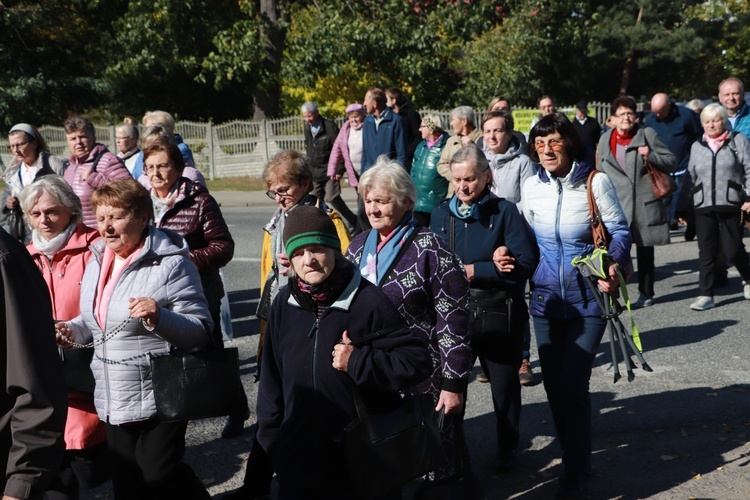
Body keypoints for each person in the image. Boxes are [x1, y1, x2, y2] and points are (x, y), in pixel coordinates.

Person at [256, 204, 432, 499]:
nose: (308, 260)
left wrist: (359, 361)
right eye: (299, 253)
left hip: (360, 460)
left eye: (317, 249)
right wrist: (273, 442)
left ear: (334, 250)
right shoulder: (284, 302)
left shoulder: (367, 300)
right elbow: (271, 380)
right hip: (297, 461)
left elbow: (417, 361)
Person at [54, 178, 214, 499]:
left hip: (161, 392)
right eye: (100, 218)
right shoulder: (98, 261)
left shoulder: (171, 263)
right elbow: (93, 322)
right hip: (114, 392)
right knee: (127, 482)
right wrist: (70, 331)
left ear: (143, 217)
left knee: (159, 473)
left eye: (116, 217)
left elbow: (200, 329)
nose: (107, 227)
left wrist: (159, 316)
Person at [521, 113, 632, 498]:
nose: (546, 150)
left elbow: (619, 229)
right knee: (553, 386)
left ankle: (577, 467)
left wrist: (613, 263)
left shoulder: (594, 182)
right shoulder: (530, 186)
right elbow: (522, 237)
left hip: (588, 299)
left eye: (552, 142)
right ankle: (573, 455)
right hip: (545, 301)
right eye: (538, 143)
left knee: (573, 381)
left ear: (568, 142)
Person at [345, 158, 472, 485]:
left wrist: (453, 384)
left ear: (407, 202)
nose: (372, 209)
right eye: (368, 200)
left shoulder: (433, 250)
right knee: (380, 450)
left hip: (422, 377)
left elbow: (454, 320)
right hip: (369, 369)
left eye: (382, 201)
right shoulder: (358, 247)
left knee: (427, 457)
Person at [431, 146, 539, 474]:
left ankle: (507, 449)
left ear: (486, 177)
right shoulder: (440, 213)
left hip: (497, 314)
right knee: (450, 388)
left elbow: (527, 262)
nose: (463, 187)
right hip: (453, 317)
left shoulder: (504, 212)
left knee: (504, 390)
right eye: (458, 179)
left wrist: (477, 271)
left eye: (471, 179)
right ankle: (451, 454)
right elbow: (434, 262)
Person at [142, 138, 247, 438]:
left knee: (209, 352)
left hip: (198, 291)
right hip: (154, 293)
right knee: (163, 352)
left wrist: (183, 262)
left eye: (162, 165)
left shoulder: (200, 200)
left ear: (178, 167)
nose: (156, 173)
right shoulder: (142, 202)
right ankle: (172, 414)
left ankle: (236, 408)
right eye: (150, 167)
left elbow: (223, 247)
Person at [20, 176, 108, 499]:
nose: (43, 220)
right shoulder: (24, 256)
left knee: (89, 460)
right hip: (44, 367)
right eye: (35, 213)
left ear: (71, 210)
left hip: (87, 365)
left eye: (51, 211)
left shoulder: (96, 246)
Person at [597, 96, 676, 307]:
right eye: (621, 114)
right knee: (614, 253)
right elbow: (600, 170)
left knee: (644, 251)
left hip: (643, 204)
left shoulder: (647, 135)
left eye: (630, 113)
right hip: (616, 204)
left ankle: (646, 292)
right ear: (612, 118)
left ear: (636, 117)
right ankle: (613, 295)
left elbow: (671, 161)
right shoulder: (606, 139)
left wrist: (650, 155)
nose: (626, 118)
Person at [687, 103, 750, 311]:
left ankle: (748, 278)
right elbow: (692, 175)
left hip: (731, 202)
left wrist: (748, 197)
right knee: (707, 251)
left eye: (716, 120)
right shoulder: (697, 145)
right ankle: (706, 294)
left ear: (724, 121)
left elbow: (749, 169)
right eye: (707, 121)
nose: (712, 124)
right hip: (704, 204)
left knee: (732, 248)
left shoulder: (737, 141)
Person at [645, 93, 702, 240]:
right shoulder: (651, 119)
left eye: (660, 111)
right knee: (664, 198)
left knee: (686, 198)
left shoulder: (687, 115)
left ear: (669, 105)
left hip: (685, 164)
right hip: (662, 165)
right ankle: (668, 225)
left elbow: (699, 135)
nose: (657, 114)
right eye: (655, 111)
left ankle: (691, 225)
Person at [62, 116, 132, 229]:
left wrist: (95, 179)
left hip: (103, 234)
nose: (78, 142)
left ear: (93, 137)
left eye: (82, 137)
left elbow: (129, 191)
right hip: (78, 235)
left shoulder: (108, 160)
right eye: (73, 139)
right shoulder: (70, 167)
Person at [2, 123, 65, 244]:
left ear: (34, 143)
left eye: (20, 144)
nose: (16, 150)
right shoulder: (13, 171)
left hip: (52, 228)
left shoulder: (53, 165)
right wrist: (7, 202)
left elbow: (68, 196)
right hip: (25, 233)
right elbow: (6, 195)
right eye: (12, 146)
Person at [359, 87, 409, 232]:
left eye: (366, 100)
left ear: (374, 103)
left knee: (385, 214)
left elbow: (401, 155)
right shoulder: (367, 121)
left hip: (387, 179)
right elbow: (365, 153)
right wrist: (363, 177)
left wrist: (395, 179)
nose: (364, 104)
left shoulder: (395, 120)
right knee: (364, 212)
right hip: (369, 178)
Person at [302, 101, 357, 232]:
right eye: (305, 116)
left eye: (309, 116)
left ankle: (354, 221)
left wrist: (339, 169)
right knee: (313, 201)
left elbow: (340, 148)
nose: (307, 119)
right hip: (314, 172)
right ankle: (321, 227)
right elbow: (310, 149)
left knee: (332, 197)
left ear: (316, 113)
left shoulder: (329, 127)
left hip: (330, 170)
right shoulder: (307, 128)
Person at [482, 110, 536, 205]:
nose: (491, 136)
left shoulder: (523, 163)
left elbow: (528, 202)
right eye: (487, 131)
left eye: (497, 131)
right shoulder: (479, 162)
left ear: (509, 134)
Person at [137, 123, 207, 190]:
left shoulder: (189, 175)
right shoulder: (143, 179)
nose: (152, 153)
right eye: (146, 149)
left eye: (157, 148)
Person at [410, 113, 449, 226]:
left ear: (431, 128)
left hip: (437, 205)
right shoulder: (420, 147)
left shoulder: (447, 146)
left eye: (423, 126)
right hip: (418, 204)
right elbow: (412, 172)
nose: (419, 129)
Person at [437, 106, 482, 197]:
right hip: (454, 195)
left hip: (475, 195)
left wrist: (472, 147)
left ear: (464, 121)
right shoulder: (451, 141)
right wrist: (456, 176)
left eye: (453, 120)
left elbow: (483, 165)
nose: (451, 124)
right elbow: (441, 165)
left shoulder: (482, 138)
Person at [328, 103, 366, 192]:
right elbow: (336, 149)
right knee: (361, 196)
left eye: (356, 117)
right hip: (354, 172)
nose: (354, 120)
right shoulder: (346, 128)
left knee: (364, 201)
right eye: (351, 117)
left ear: (363, 115)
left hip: (367, 170)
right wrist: (332, 170)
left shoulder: (367, 126)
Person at [386, 87, 422, 166]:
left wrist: (406, 152)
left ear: (393, 100)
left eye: (386, 100)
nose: (385, 103)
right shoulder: (388, 117)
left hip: (408, 160)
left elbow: (418, 137)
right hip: (392, 159)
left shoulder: (411, 115)